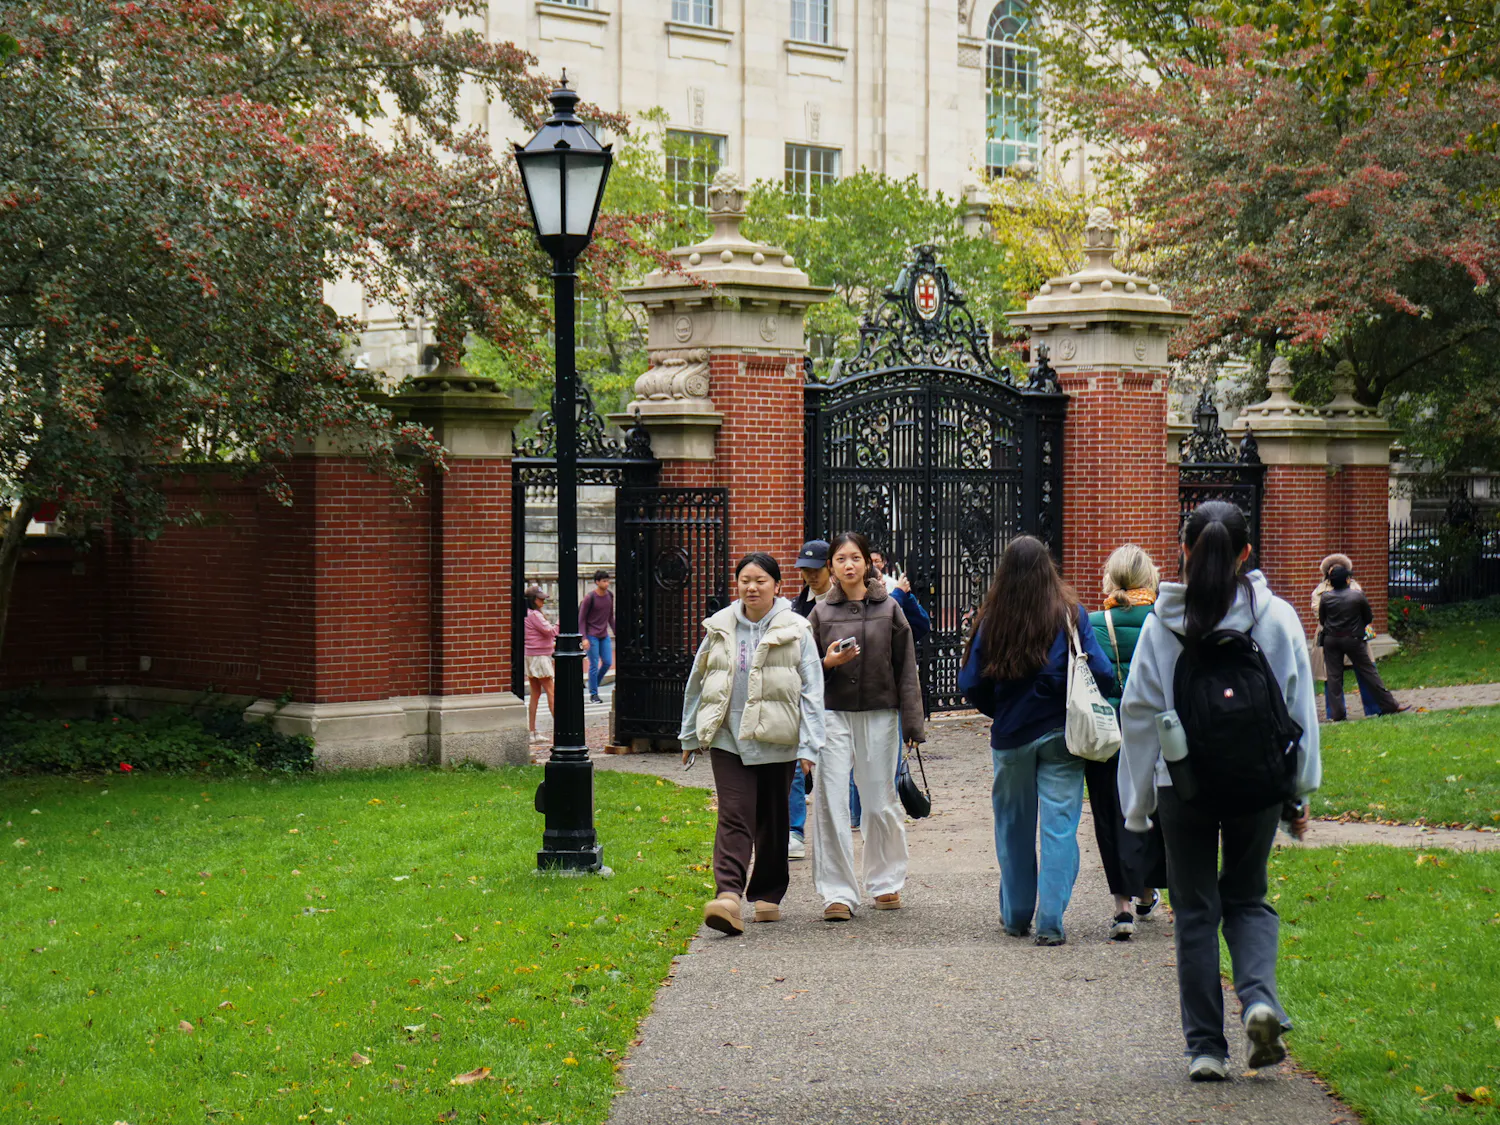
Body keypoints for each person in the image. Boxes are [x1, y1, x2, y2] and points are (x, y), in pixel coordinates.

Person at [1119, 501, 1321, 1082]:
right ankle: (1259, 999)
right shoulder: (1276, 617)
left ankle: (1207, 1047)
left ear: (1183, 550)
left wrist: (1136, 808)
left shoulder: (1163, 622)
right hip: (1258, 784)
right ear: (1245, 553)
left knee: (1196, 913)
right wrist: (1299, 789)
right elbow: (1298, 708)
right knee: (1248, 897)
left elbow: (1138, 716)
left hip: (1183, 786)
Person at [958, 535, 1116, 947]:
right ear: (1049, 568)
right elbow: (1102, 673)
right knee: (1060, 826)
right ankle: (1050, 920)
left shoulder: (993, 619)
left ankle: (1015, 915)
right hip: (1062, 734)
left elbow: (971, 682)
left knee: (1013, 826)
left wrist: (1001, 709)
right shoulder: (1071, 614)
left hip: (1011, 736)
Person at [679, 553, 826, 935]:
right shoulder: (720, 626)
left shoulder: (796, 628)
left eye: (760, 580)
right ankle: (728, 894)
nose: (752, 587)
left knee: (773, 819)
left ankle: (768, 892)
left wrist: (810, 746)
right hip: (729, 736)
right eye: (745, 579)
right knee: (734, 812)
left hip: (778, 737)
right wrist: (690, 734)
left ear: (777, 586)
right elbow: (698, 680)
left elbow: (812, 689)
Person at [808, 532, 924, 920]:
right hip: (833, 714)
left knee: (879, 801)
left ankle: (886, 881)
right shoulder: (820, 613)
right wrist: (827, 664)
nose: (848, 565)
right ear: (832, 567)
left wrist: (912, 723)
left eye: (855, 557)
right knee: (832, 801)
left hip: (880, 713)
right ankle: (837, 892)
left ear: (867, 563)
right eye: (841, 559)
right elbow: (804, 672)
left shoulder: (890, 608)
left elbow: (906, 668)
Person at [1086, 544, 1167, 941]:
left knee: (1108, 812)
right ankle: (1148, 890)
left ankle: (1121, 907)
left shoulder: (1094, 621)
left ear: (1110, 578)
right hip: (1151, 728)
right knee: (1149, 807)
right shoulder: (1163, 620)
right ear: (1149, 578)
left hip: (1107, 729)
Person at [852, 548, 931, 830]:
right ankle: (857, 813)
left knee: (886, 757)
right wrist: (896, 594)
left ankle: (882, 808)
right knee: (857, 759)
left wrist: (904, 597)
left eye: (875, 562)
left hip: (888, 694)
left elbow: (921, 626)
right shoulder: (853, 599)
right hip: (856, 698)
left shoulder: (893, 592)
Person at [788, 539, 835, 860]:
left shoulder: (842, 601)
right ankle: (795, 831)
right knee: (795, 762)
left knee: (833, 767)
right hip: (804, 693)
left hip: (837, 695)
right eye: (805, 570)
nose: (810, 576)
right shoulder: (796, 606)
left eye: (815, 569)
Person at [1320, 563, 1405, 721]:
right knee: (1369, 672)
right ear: (1347, 580)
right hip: (1353, 638)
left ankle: (1337, 714)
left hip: (1331, 639)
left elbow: (1322, 619)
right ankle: (1389, 704)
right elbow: (1368, 617)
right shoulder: (1357, 596)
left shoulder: (1325, 597)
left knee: (1333, 677)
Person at [523, 586, 560, 750]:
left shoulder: (527, 614)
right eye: (540, 599)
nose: (543, 601)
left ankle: (532, 731)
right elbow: (550, 631)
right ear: (533, 600)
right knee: (551, 691)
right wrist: (561, 621)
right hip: (539, 657)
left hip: (531, 655)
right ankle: (561, 731)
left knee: (535, 694)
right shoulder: (535, 615)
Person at [579, 570, 615, 705]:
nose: (606, 583)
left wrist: (616, 631)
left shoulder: (610, 596)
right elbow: (581, 619)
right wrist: (584, 638)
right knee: (593, 664)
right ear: (597, 582)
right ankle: (594, 694)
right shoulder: (590, 598)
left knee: (607, 662)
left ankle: (593, 683)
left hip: (603, 634)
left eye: (607, 580)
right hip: (591, 635)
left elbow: (610, 617)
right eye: (604, 581)